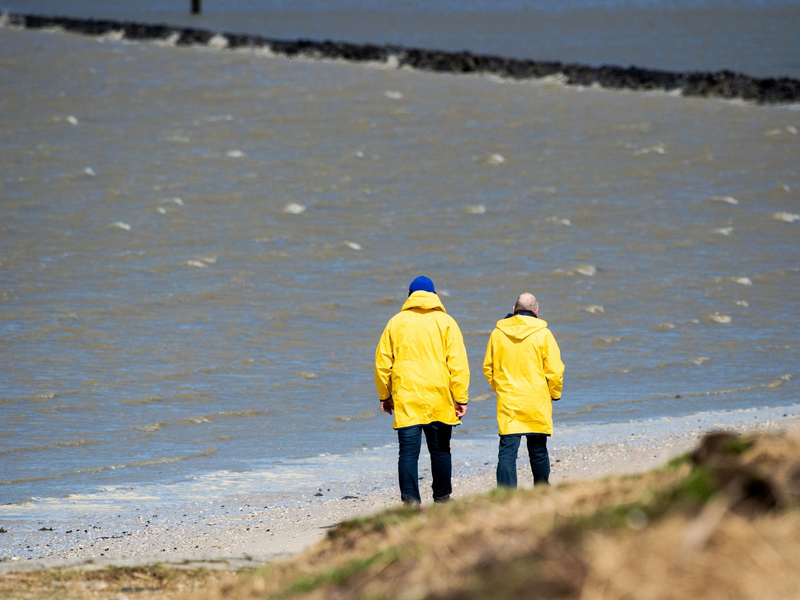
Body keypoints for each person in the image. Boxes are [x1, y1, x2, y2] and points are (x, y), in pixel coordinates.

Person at [375, 276, 470, 504]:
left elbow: (382, 364)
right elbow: (458, 364)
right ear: (434, 296)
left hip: (407, 395)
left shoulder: (396, 322)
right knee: (441, 450)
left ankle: (411, 502)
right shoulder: (447, 322)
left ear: (410, 296)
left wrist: (385, 395)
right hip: (438, 395)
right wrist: (461, 398)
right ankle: (442, 498)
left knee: (408, 452)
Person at [483, 293, 564, 488]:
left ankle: (506, 495)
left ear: (514, 310)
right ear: (536, 311)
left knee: (507, 451)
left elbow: (488, 368)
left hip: (509, 399)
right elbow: (555, 370)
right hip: (536, 399)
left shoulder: (498, 333)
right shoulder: (543, 334)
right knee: (538, 449)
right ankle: (542, 490)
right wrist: (554, 393)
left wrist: (500, 388)